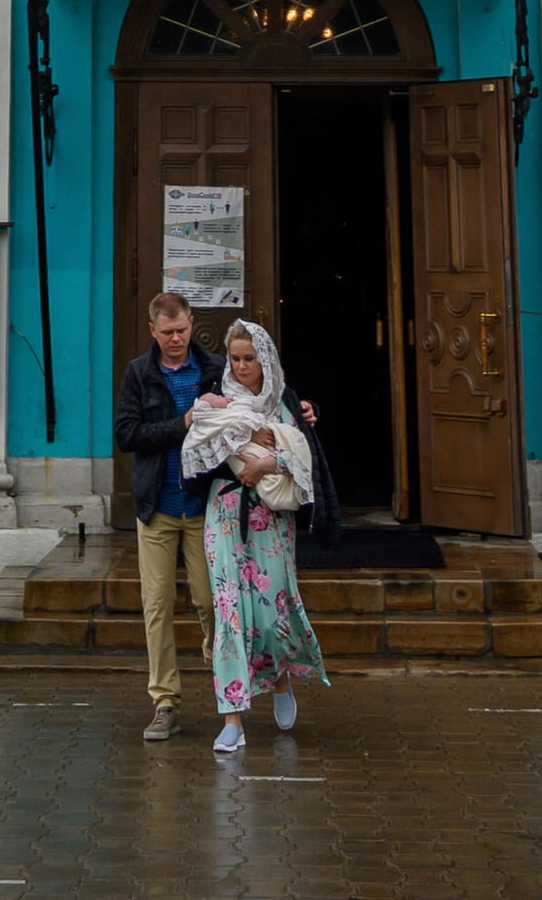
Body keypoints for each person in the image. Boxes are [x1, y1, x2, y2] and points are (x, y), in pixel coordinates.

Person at [180, 316, 331, 756]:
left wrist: (268, 462)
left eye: (250, 359)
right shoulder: (219, 399)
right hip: (226, 513)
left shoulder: (286, 404)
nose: (242, 366)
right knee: (229, 612)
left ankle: (281, 680)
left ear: (265, 361)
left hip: (272, 519)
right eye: (235, 358)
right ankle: (232, 718)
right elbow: (196, 449)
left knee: (269, 612)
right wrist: (231, 428)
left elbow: (305, 461)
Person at [114, 288, 221, 740]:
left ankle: (226, 679)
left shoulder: (214, 370)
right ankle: (165, 701)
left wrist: (300, 409)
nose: (175, 339)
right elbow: (127, 434)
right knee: (156, 606)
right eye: (167, 333)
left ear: (191, 323)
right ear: (153, 330)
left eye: (182, 330)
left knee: (209, 601)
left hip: (202, 506)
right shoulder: (139, 372)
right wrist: (182, 424)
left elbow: (259, 401)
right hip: (156, 507)